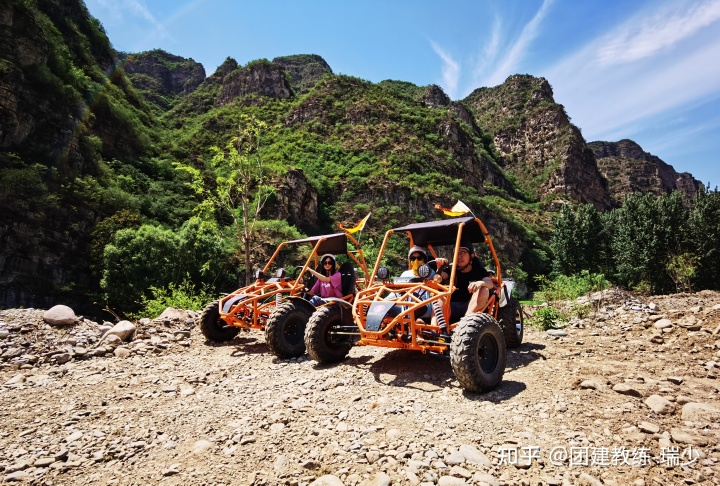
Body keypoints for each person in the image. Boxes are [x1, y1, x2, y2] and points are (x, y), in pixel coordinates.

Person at [434, 241, 493, 323]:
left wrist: (480, 283)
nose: (459, 256)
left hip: (471, 308)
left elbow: (490, 283)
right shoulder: (451, 269)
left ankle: (464, 323)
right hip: (451, 308)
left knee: (484, 290)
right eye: (457, 253)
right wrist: (439, 269)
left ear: (471, 256)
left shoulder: (478, 270)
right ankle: (435, 331)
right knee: (439, 296)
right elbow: (440, 277)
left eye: (463, 253)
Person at [387, 246, 434, 320]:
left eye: (419, 258)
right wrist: (382, 302)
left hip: (423, 306)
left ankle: (417, 321)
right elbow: (396, 292)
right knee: (385, 306)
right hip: (405, 306)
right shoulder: (405, 274)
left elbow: (439, 280)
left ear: (424, 259)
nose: (416, 261)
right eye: (413, 258)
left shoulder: (429, 272)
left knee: (413, 297)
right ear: (410, 261)